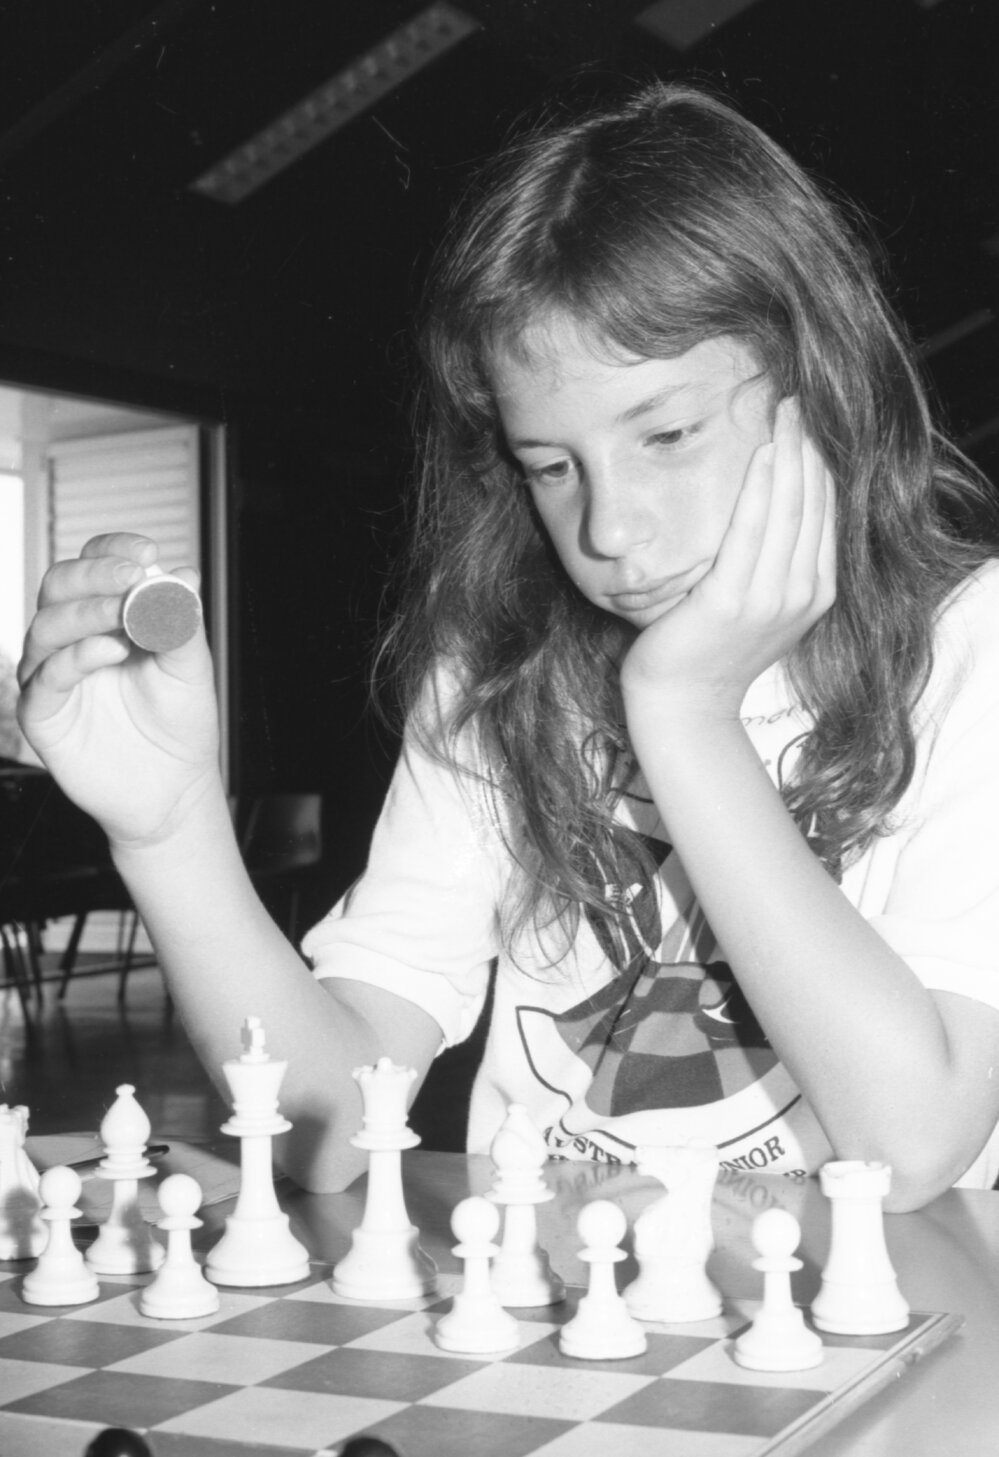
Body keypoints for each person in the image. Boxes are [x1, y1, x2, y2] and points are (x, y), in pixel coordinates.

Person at [17, 82, 999, 1212]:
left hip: (887, 1337)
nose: (610, 530)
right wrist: (172, 826)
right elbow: (337, 1127)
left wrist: (684, 713)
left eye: (669, 433)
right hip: (561, 1327)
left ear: (821, 389)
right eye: (551, 464)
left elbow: (914, 1144)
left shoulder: (971, 645)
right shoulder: (495, 667)